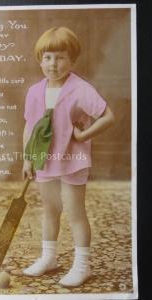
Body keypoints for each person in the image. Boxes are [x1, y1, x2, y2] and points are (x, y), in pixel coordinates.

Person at [22, 27, 115, 287]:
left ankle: (82, 265)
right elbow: (29, 126)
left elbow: (109, 117)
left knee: (75, 212)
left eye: (61, 57)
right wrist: (27, 158)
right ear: (40, 59)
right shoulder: (34, 91)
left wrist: (84, 137)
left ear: (72, 60)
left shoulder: (81, 89)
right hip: (44, 158)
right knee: (50, 209)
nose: (53, 64)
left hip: (72, 159)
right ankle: (49, 257)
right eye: (48, 57)